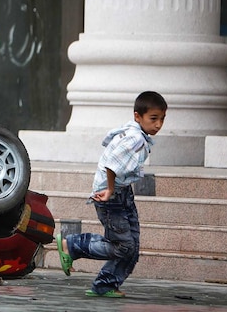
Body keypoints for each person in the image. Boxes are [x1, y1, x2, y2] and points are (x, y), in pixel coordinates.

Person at [55, 91, 167, 298]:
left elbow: (110, 146)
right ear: (137, 116)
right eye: (154, 119)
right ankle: (72, 245)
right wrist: (110, 189)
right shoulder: (136, 139)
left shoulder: (134, 133)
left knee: (131, 247)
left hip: (122, 193)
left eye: (162, 119)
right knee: (124, 246)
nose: (158, 124)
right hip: (111, 196)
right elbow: (111, 164)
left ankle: (105, 285)